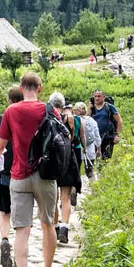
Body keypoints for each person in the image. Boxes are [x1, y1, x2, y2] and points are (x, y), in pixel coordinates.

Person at [0, 71, 59, 267]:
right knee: (48, 224)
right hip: (45, 175)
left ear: (21, 89)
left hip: (19, 177)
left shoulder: (11, 111)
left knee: (22, 230)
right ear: (39, 88)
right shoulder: (49, 109)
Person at [0, 85, 22, 267]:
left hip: (5, 172)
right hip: (23, 172)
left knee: (4, 211)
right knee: (21, 216)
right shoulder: (25, 118)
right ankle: (18, 252)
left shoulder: (0, 120)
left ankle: (5, 239)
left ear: (9, 100)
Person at [50, 92, 80, 245]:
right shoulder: (69, 118)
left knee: (53, 199)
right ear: (63, 105)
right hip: (67, 159)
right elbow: (72, 138)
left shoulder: (47, 119)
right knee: (65, 196)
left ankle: (55, 228)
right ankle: (64, 228)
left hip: (53, 162)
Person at [90, 89, 121, 165]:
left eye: (99, 96)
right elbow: (85, 120)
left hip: (108, 137)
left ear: (103, 97)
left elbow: (119, 121)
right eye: (95, 96)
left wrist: (117, 135)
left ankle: (103, 174)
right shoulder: (92, 108)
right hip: (94, 138)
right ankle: (94, 174)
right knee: (93, 159)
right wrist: (89, 108)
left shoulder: (109, 107)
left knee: (106, 159)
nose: (97, 98)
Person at [74, 101, 101, 180]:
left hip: (77, 148)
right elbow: (97, 136)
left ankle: (75, 190)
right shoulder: (91, 120)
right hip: (90, 149)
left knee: (76, 171)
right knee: (90, 171)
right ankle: (94, 188)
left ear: (77, 111)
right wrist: (98, 149)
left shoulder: (74, 120)